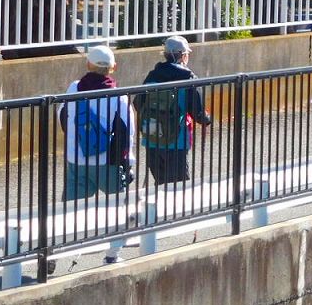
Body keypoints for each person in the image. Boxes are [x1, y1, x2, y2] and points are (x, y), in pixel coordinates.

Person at [60, 45, 135, 202]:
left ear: (88, 65)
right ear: (113, 67)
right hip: (107, 162)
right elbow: (127, 131)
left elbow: (63, 117)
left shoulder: (73, 88)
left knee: (72, 211)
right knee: (119, 206)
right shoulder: (118, 96)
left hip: (76, 159)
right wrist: (127, 162)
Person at [137, 36, 212, 185]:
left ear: (165, 55)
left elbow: (138, 103)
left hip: (153, 139)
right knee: (180, 188)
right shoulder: (188, 77)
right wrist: (207, 118)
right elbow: (198, 113)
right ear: (183, 55)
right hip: (176, 142)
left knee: (161, 184)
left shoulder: (152, 76)